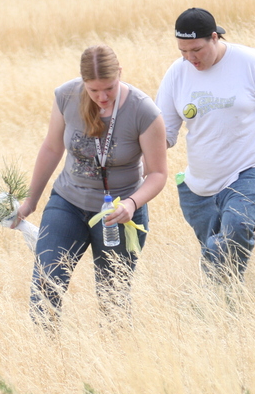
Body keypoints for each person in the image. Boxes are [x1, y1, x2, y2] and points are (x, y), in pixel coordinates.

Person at [15, 45, 167, 325]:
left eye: (108, 88)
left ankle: (117, 360)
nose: (102, 97)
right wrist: (30, 203)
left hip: (118, 213)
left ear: (120, 73)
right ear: (83, 81)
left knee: (113, 298)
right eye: (94, 90)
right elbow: (51, 148)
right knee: (46, 282)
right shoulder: (66, 96)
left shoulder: (144, 111)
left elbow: (158, 173)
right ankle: (46, 358)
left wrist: (133, 204)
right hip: (68, 203)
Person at [156, 8, 255, 281]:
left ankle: (215, 298)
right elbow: (164, 134)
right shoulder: (177, 73)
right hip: (201, 186)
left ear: (215, 37)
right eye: (183, 51)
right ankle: (223, 309)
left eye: (196, 49)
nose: (190, 58)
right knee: (220, 259)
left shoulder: (250, 63)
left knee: (238, 226)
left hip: (253, 168)